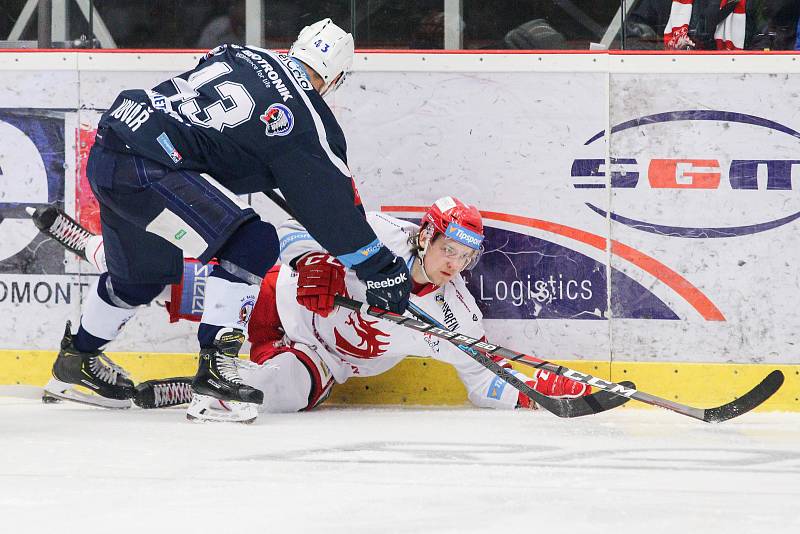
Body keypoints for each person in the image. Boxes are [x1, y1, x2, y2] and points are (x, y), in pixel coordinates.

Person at [43, 18, 412, 423]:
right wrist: (382, 270)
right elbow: (331, 209)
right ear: (336, 76)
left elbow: (216, 112)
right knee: (253, 243)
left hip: (112, 148)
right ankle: (216, 374)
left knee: (141, 276)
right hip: (151, 166)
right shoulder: (305, 117)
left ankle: (77, 362)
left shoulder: (243, 53)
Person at [32, 198, 591, 419]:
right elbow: (295, 230)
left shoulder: (456, 315)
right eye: (449, 249)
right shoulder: (380, 234)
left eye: (465, 257)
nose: (454, 264)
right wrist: (313, 261)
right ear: (425, 238)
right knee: (164, 283)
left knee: (281, 397)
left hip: (317, 358)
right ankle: (95, 246)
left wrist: (533, 394)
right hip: (274, 294)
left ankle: (193, 386)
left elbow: (482, 381)